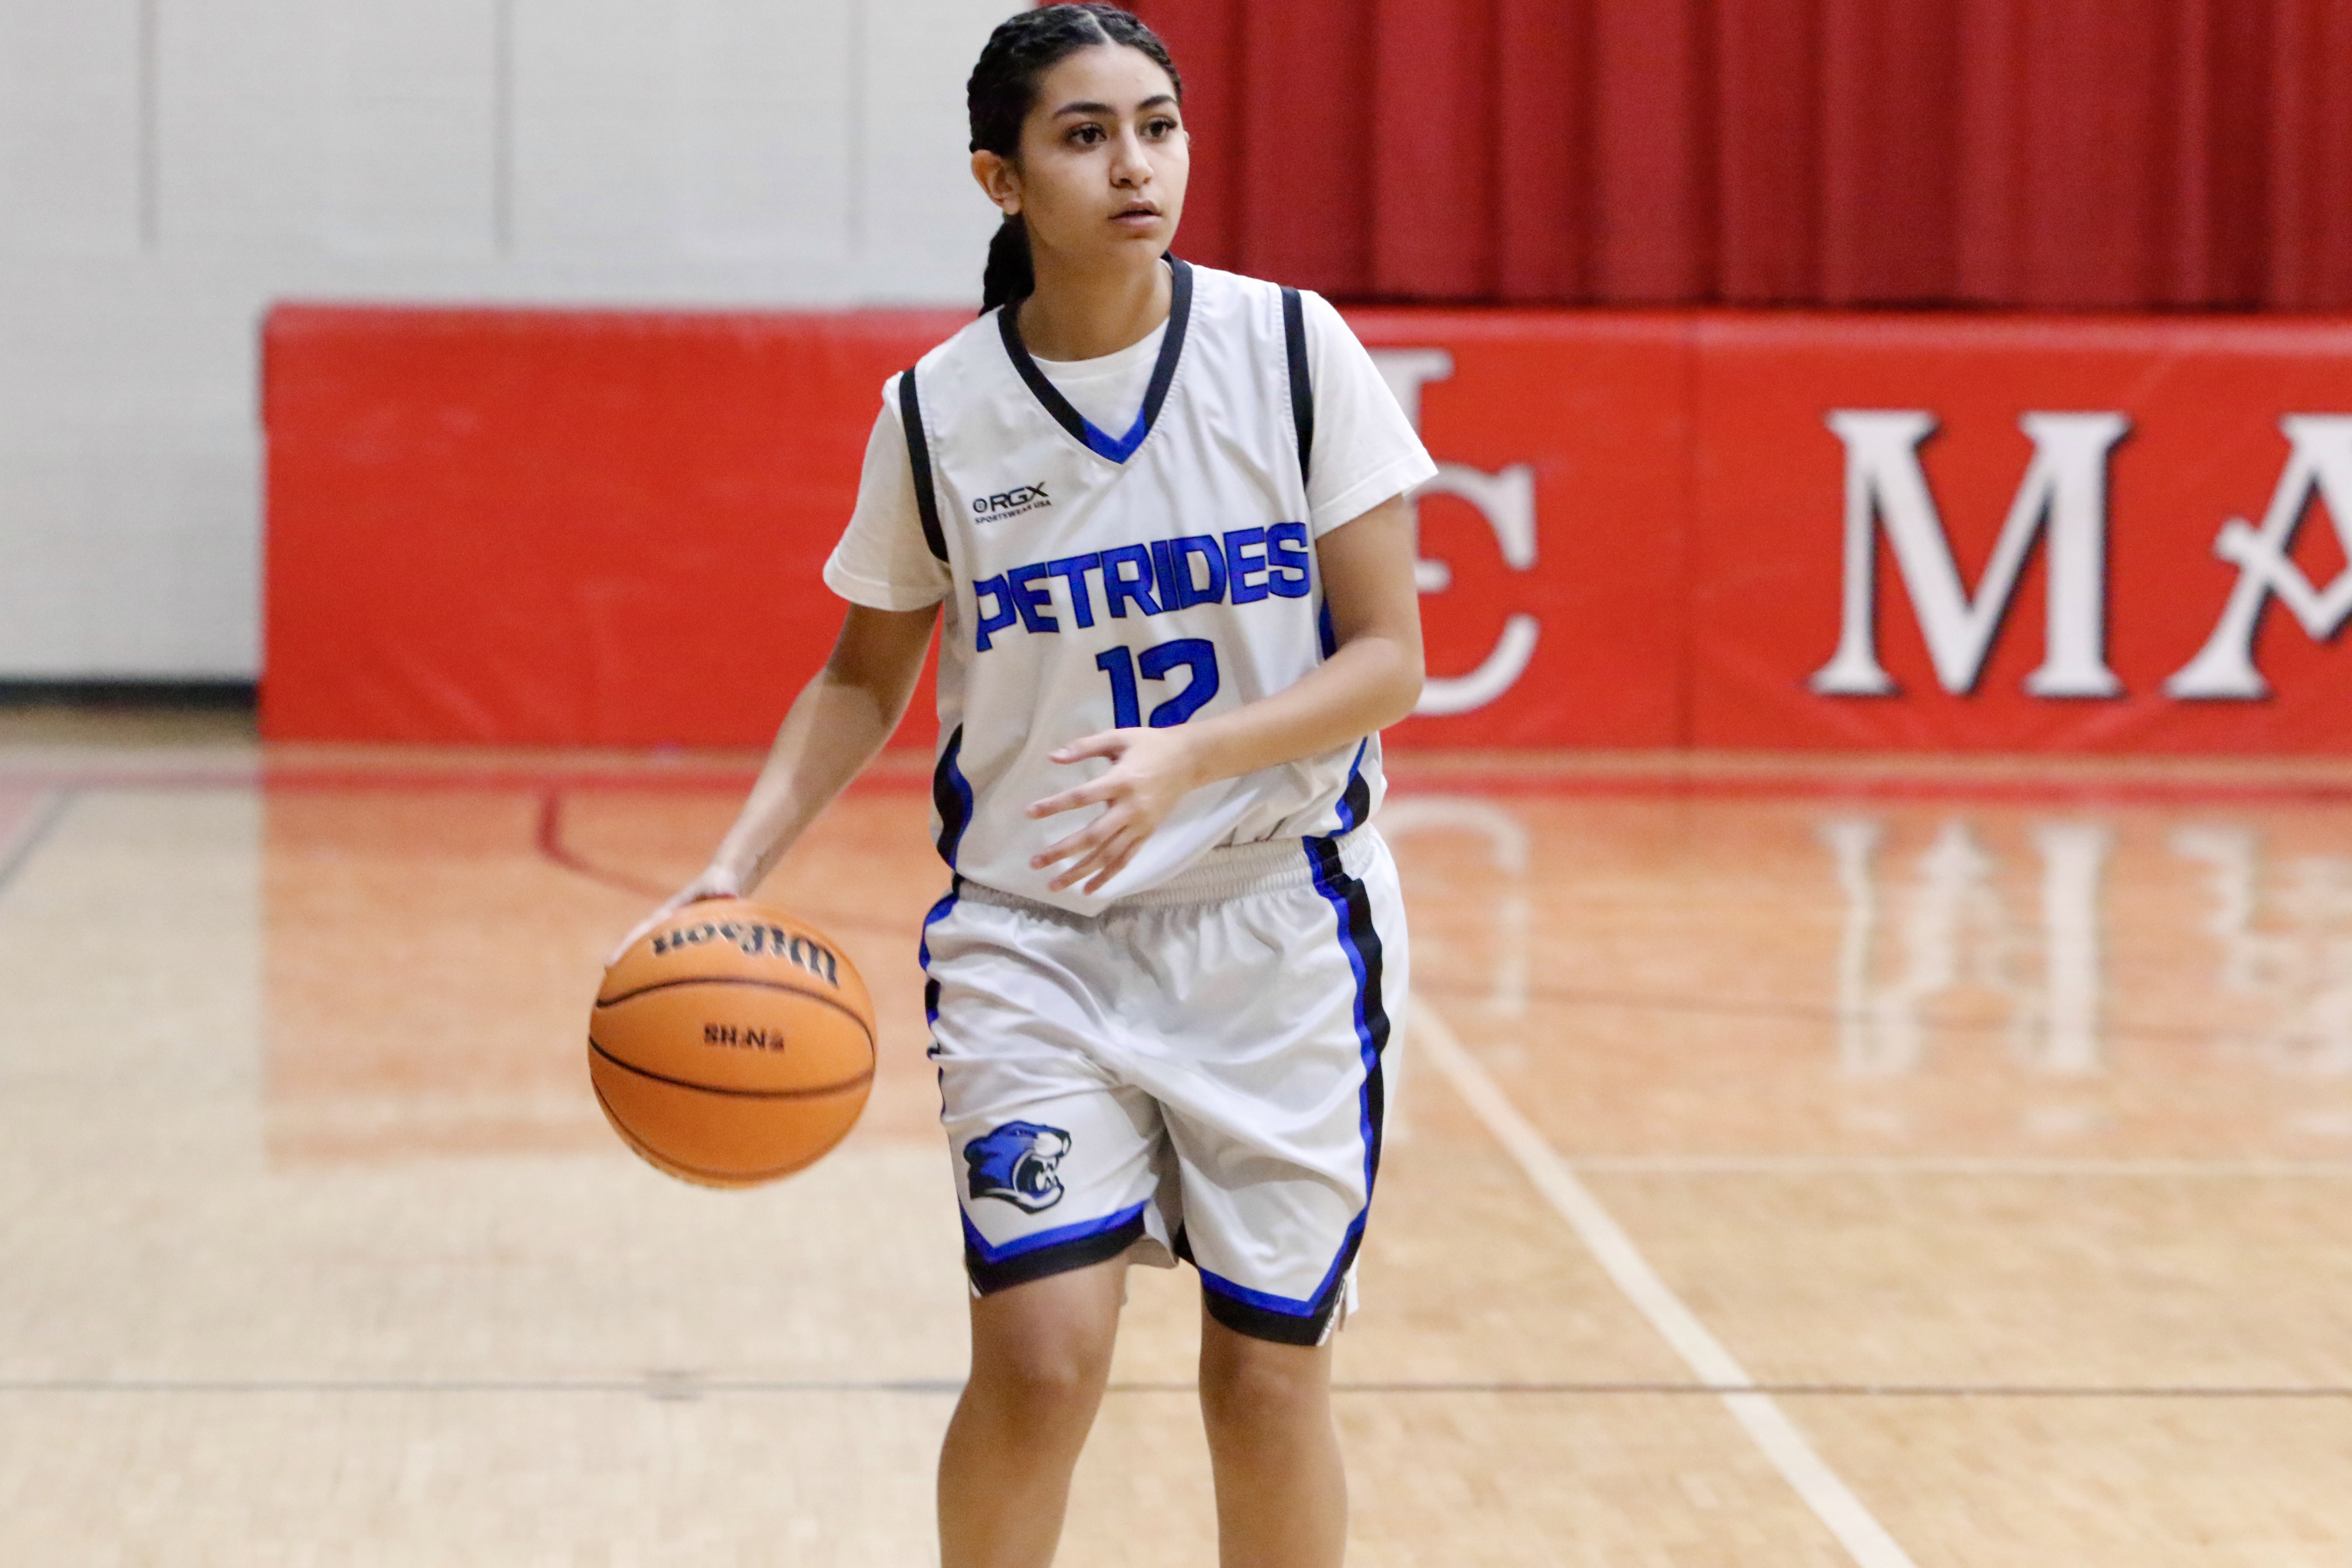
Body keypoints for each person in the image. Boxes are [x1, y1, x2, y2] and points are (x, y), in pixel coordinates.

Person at [617, 6, 1433, 1562]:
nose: (1137, 165)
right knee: (1041, 1358)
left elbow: (1389, 658)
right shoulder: (939, 411)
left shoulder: (1290, 347)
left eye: (1159, 125)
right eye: (1086, 135)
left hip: (1278, 929)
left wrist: (1197, 753)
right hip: (1035, 941)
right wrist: (738, 867)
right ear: (1001, 178)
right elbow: (865, 674)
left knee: (1266, 1385)